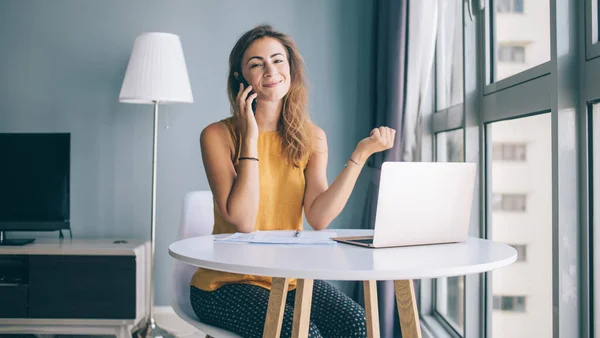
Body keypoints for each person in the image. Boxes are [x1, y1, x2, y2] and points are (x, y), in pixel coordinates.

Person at [190, 24, 396, 338]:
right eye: (256, 64)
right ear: (240, 77)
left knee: (358, 324)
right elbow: (243, 220)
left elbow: (319, 216)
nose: (270, 70)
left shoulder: (311, 137)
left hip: (287, 279)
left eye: (278, 60)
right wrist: (250, 137)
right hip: (224, 284)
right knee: (303, 334)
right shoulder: (218, 135)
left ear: (291, 68)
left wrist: (361, 154)